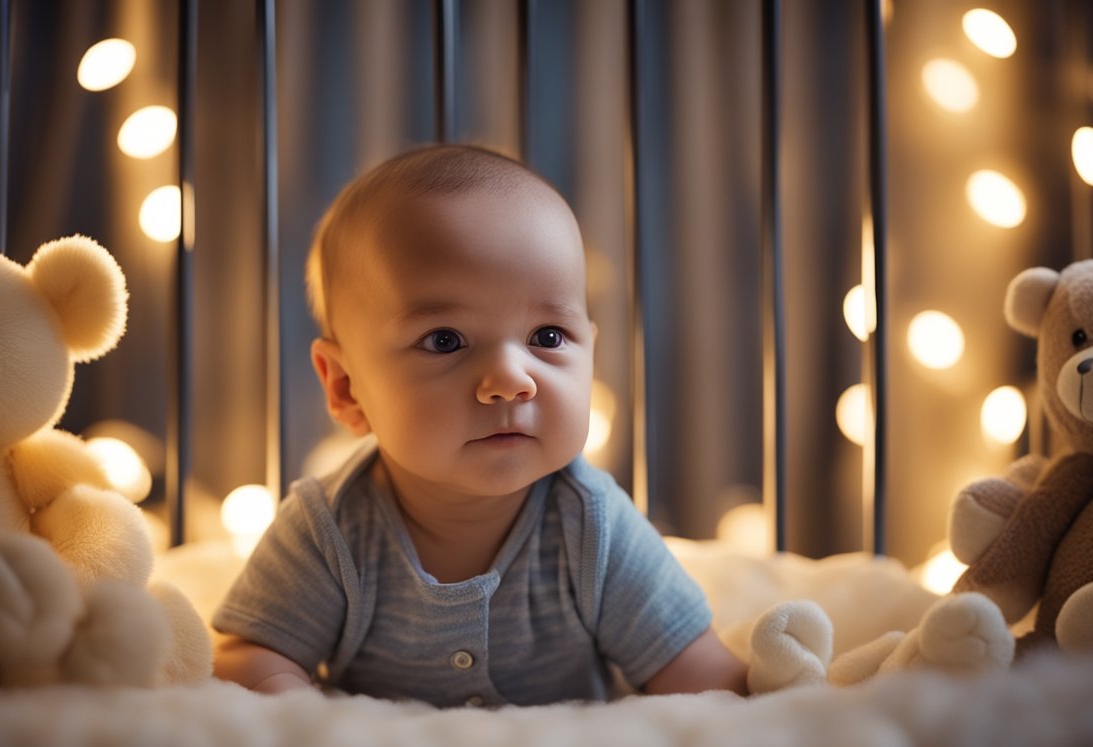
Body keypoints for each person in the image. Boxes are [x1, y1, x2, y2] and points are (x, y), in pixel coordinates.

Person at [212, 144, 748, 707]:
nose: (511, 380)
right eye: (445, 340)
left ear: (591, 349)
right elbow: (250, 653)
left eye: (547, 337)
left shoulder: (592, 525)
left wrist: (788, 692)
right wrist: (299, 716)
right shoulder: (329, 529)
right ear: (346, 387)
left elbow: (695, 669)